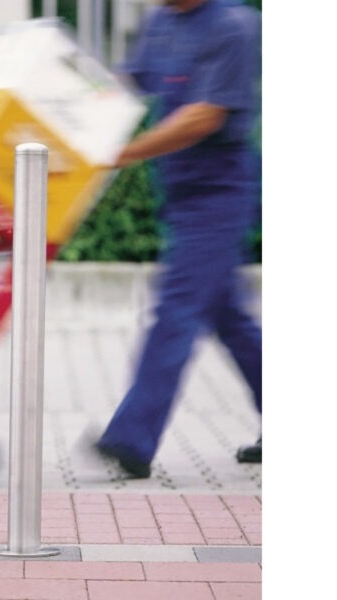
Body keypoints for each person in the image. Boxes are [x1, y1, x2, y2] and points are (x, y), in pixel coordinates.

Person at [94, 0, 262, 478]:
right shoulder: (163, 20)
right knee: (228, 317)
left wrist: (119, 154)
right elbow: (131, 81)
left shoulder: (233, 26)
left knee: (177, 309)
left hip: (219, 194)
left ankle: (132, 438)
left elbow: (202, 117)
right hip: (180, 190)